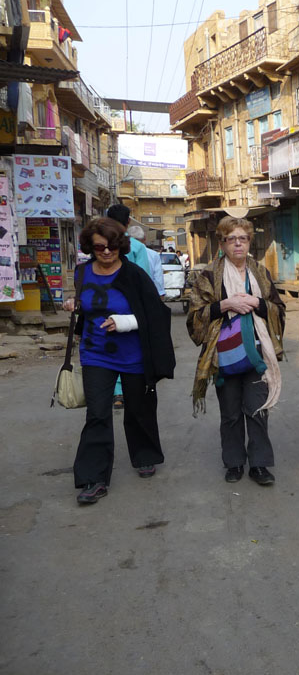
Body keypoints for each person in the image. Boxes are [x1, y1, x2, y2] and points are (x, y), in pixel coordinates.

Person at [67, 217, 175, 504]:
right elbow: (81, 304)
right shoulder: (81, 273)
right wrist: (74, 305)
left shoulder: (134, 275)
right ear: (90, 246)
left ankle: (144, 455)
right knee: (97, 414)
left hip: (134, 355)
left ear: (121, 247)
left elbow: (157, 315)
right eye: (100, 247)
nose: (106, 252)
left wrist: (126, 321)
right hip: (95, 354)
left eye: (112, 247)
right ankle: (94, 478)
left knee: (139, 408)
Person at [187, 216, 285, 485]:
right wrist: (226, 304)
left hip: (256, 353)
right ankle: (234, 463)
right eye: (231, 239)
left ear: (249, 241)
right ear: (222, 243)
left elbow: (278, 309)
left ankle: (260, 465)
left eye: (243, 238)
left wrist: (256, 302)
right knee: (230, 414)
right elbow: (195, 317)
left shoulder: (260, 274)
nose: (238, 244)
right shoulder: (208, 275)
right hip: (224, 357)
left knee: (257, 409)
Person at [106, 203, 156, 409]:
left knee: (111, 345)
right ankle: (130, 389)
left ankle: (117, 392)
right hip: (131, 305)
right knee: (131, 345)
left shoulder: (101, 245)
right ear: (128, 222)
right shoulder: (136, 247)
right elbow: (144, 277)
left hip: (108, 302)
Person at [127, 225, 165, 298]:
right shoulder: (153, 255)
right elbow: (158, 277)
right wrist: (160, 293)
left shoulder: (124, 252)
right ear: (144, 238)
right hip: (149, 293)